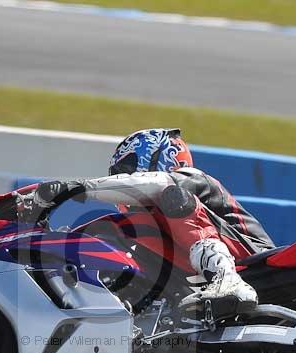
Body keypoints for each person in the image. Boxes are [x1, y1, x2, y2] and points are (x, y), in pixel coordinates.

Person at [34, 128, 274, 314]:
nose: (121, 178)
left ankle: (227, 280)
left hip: (254, 263)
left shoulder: (192, 179)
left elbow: (158, 185)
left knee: (173, 197)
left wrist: (78, 189)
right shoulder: (153, 223)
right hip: (200, 274)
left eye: (127, 170)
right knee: (119, 227)